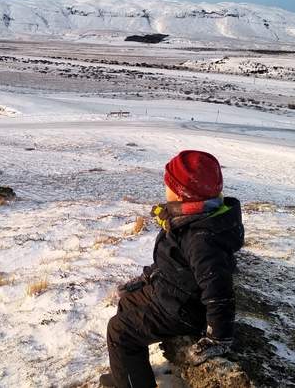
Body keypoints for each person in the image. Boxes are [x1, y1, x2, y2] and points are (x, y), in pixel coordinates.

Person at [100, 150, 245, 388]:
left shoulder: (201, 237)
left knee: (120, 331)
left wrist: (218, 336)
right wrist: (148, 277)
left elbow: (218, 289)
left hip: (183, 309)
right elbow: (174, 261)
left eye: (168, 184)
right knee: (127, 303)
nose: (164, 188)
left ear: (182, 193)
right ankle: (126, 373)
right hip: (171, 291)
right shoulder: (191, 218)